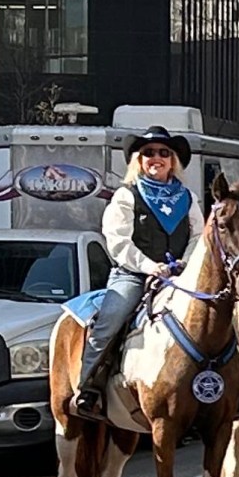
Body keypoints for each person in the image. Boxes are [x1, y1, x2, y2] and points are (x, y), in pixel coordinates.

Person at [68, 125, 205, 422]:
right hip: (133, 274)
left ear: (173, 161)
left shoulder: (188, 198)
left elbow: (198, 236)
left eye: (163, 153)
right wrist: (149, 266)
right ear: (138, 161)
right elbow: (117, 241)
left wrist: (184, 263)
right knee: (111, 320)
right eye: (149, 153)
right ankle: (88, 387)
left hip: (179, 276)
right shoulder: (125, 195)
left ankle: (226, 387)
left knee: (215, 315)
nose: (156, 158)